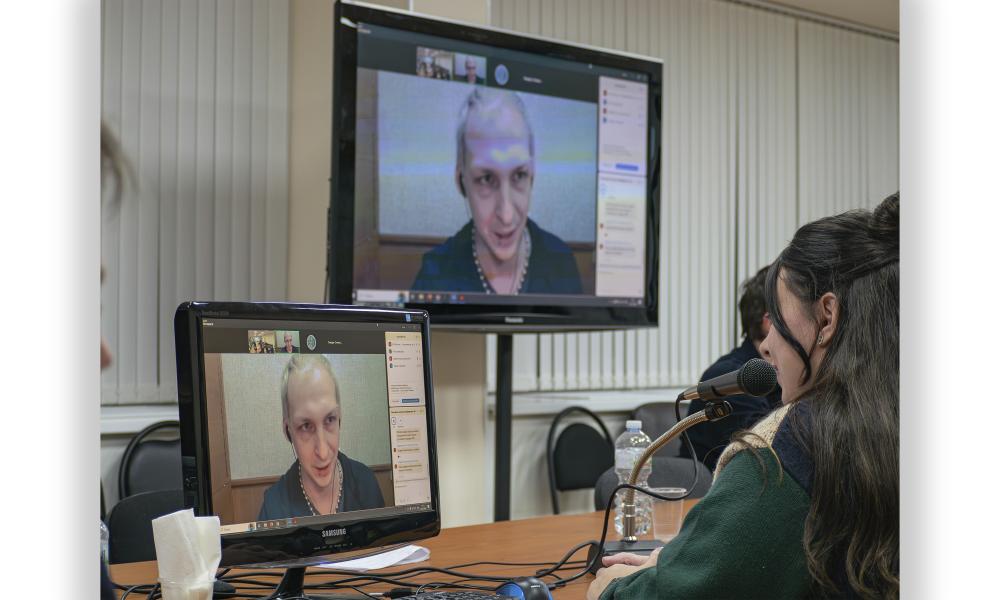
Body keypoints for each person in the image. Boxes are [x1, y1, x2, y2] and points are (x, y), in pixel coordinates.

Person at [589, 193, 899, 600]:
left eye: (778, 319)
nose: (767, 345)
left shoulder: (786, 452)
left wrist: (610, 589)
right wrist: (685, 563)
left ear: (827, 317)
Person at [411, 88, 583, 294]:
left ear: (532, 176)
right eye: (486, 179)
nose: (506, 216)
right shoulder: (435, 277)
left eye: (519, 175)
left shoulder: (561, 263)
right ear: (461, 182)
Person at [678, 265, 782, 469]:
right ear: (768, 322)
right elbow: (773, 450)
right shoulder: (734, 377)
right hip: (716, 487)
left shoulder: (781, 374)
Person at [258, 354, 384, 520]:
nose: (323, 453)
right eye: (306, 426)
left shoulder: (366, 484)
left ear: (340, 419)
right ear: (288, 431)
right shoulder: (273, 508)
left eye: (330, 419)